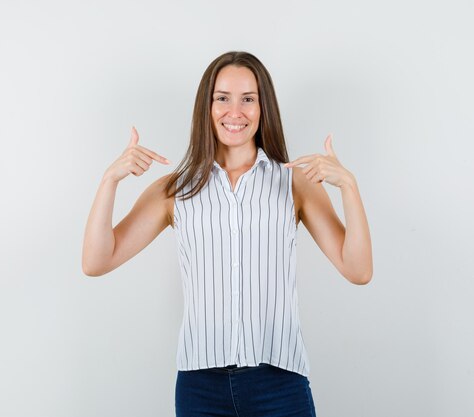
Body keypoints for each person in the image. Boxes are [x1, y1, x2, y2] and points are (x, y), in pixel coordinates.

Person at [82, 51, 372, 417]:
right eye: (222, 98)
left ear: (263, 107)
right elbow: (96, 261)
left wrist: (349, 186)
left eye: (248, 99)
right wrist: (110, 179)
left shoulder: (294, 183)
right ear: (207, 106)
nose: (235, 111)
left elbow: (358, 269)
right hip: (200, 389)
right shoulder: (175, 191)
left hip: (280, 384)